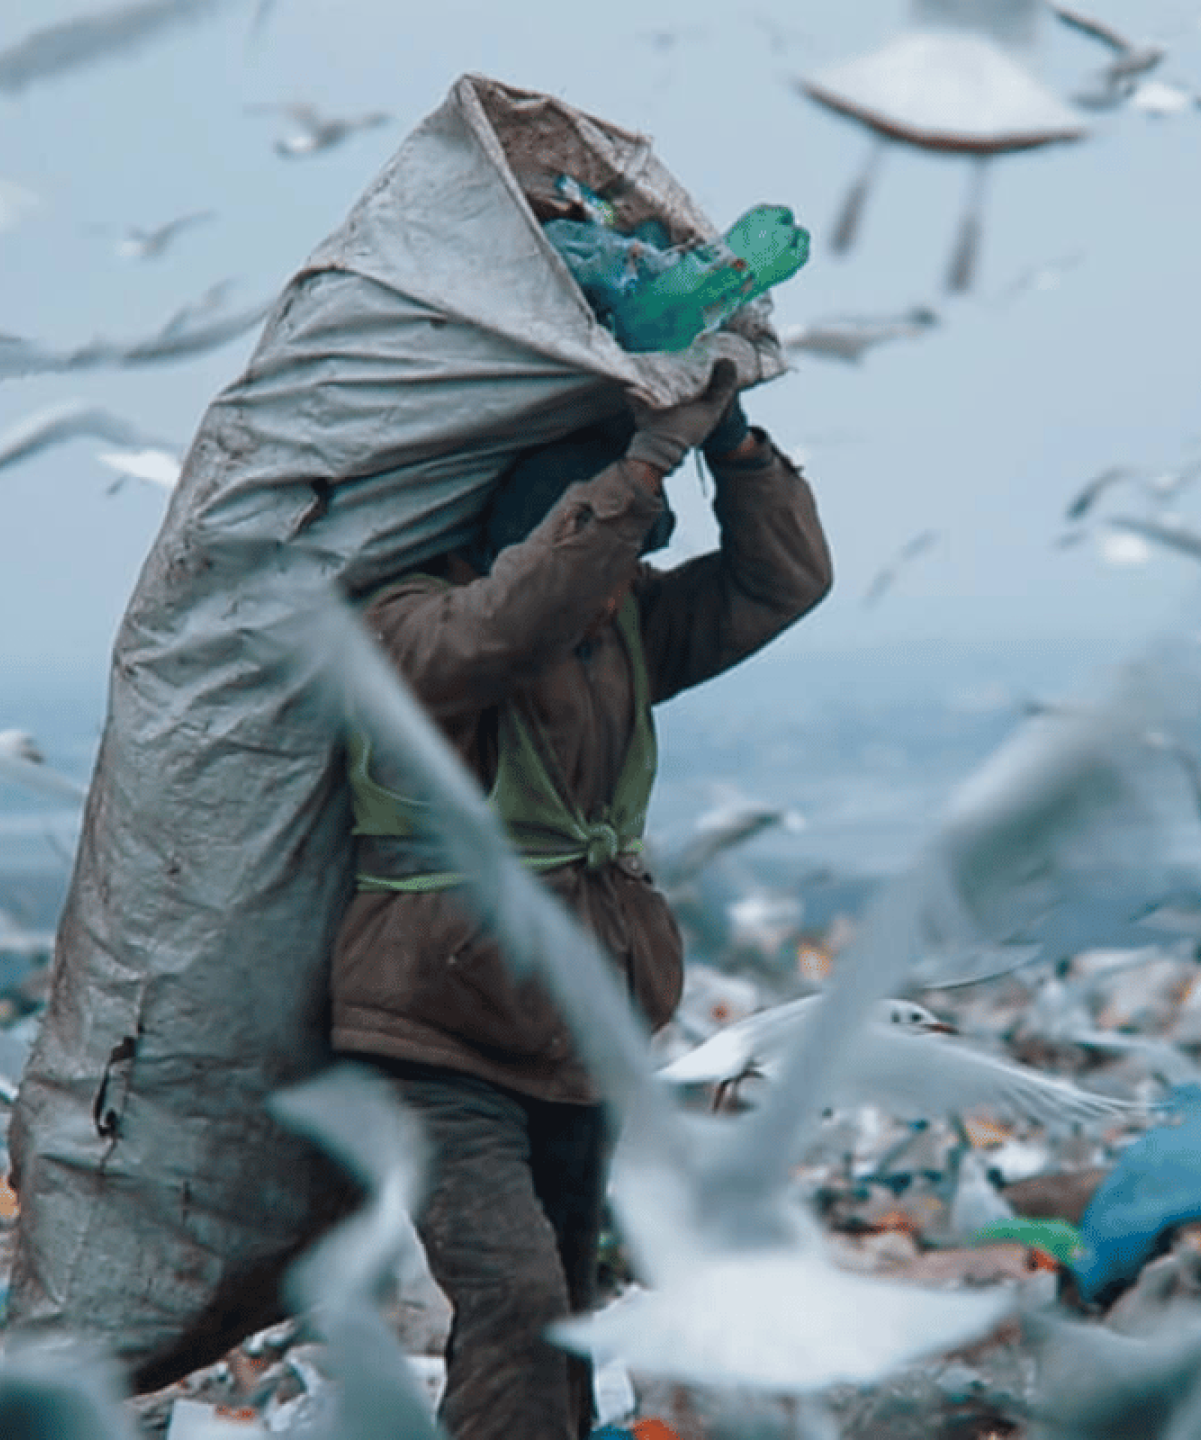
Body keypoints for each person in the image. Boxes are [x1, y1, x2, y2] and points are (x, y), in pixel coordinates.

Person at [330, 356, 831, 1439]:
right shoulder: (405, 625)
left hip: (578, 1025)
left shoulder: (618, 629)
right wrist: (647, 458)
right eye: (610, 550)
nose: (627, 581)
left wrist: (732, 444)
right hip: (433, 1033)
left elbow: (780, 583)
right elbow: (505, 629)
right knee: (513, 1295)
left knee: (562, 1309)